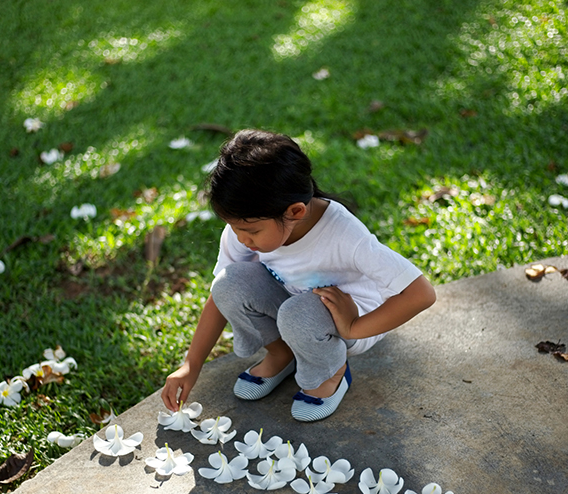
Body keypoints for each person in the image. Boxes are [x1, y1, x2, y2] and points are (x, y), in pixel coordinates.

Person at [162, 129, 436, 421]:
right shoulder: (248, 226)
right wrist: (191, 365)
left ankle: (331, 373)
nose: (241, 238)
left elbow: (421, 294)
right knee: (229, 283)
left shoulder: (345, 235)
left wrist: (354, 327)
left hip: (345, 318)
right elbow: (220, 295)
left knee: (298, 314)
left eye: (251, 231)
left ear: (294, 211)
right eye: (234, 227)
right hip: (294, 307)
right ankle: (283, 354)